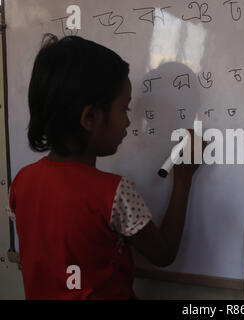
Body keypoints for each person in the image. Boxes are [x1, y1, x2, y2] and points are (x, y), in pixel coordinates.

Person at [6, 34, 203, 299]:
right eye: (124, 110)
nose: (129, 123)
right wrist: (183, 179)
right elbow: (164, 253)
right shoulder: (113, 193)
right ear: (91, 118)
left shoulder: (21, 182)